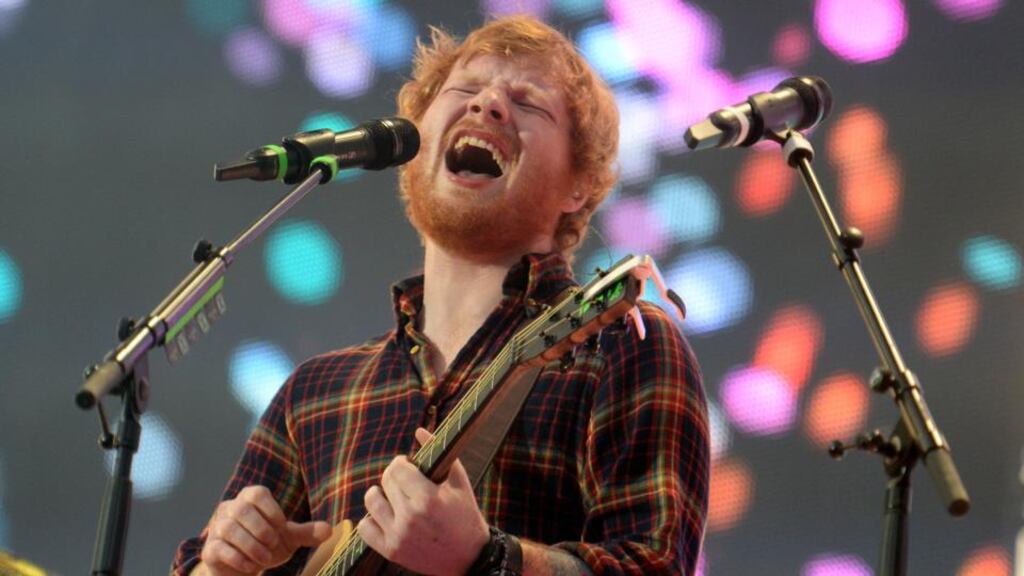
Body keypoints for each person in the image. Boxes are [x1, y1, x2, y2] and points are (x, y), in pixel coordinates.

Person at [173, 15, 709, 576]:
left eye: (528, 104)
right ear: (415, 145)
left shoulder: (620, 342)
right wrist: (223, 565)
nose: (490, 105)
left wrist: (487, 559)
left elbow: (654, 567)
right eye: (466, 89)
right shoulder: (313, 392)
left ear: (579, 186)